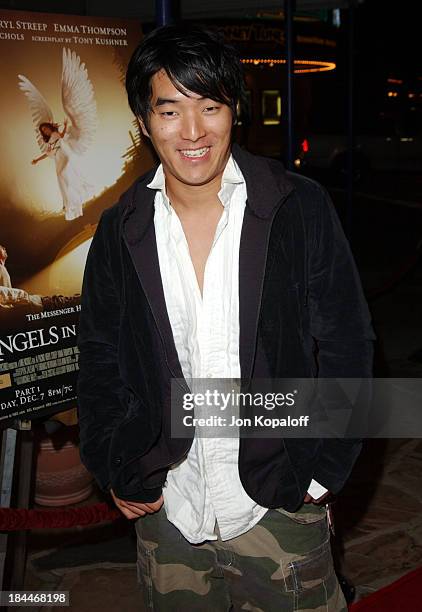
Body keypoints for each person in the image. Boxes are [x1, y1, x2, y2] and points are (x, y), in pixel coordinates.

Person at [77, 24, 375, 611]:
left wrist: (320, 473)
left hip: (276, 501)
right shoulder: (121, 227)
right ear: (144, 119)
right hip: (170, 506)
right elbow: (100, 356)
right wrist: (116, 462)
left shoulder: (295, 205)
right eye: (171, 110)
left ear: (233, 111)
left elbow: (347, 344)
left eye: (209, 107)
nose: (193, 132)